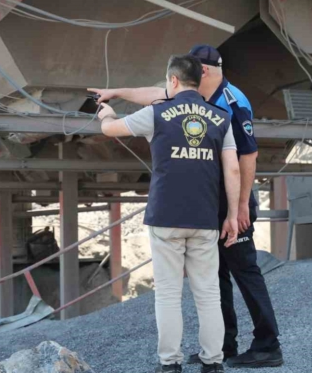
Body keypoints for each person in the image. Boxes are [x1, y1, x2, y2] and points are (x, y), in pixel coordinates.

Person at [89, 45, 283, 369]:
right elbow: (155, 93)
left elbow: (247, 158)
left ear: (194, 74)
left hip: (216, 204)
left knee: (241, 273)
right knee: (213, 284)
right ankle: (220, 351)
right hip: (207, 207)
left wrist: (240, 208)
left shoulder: (232, 103)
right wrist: (116, 92)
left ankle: (266, 344)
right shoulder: (209, 107)